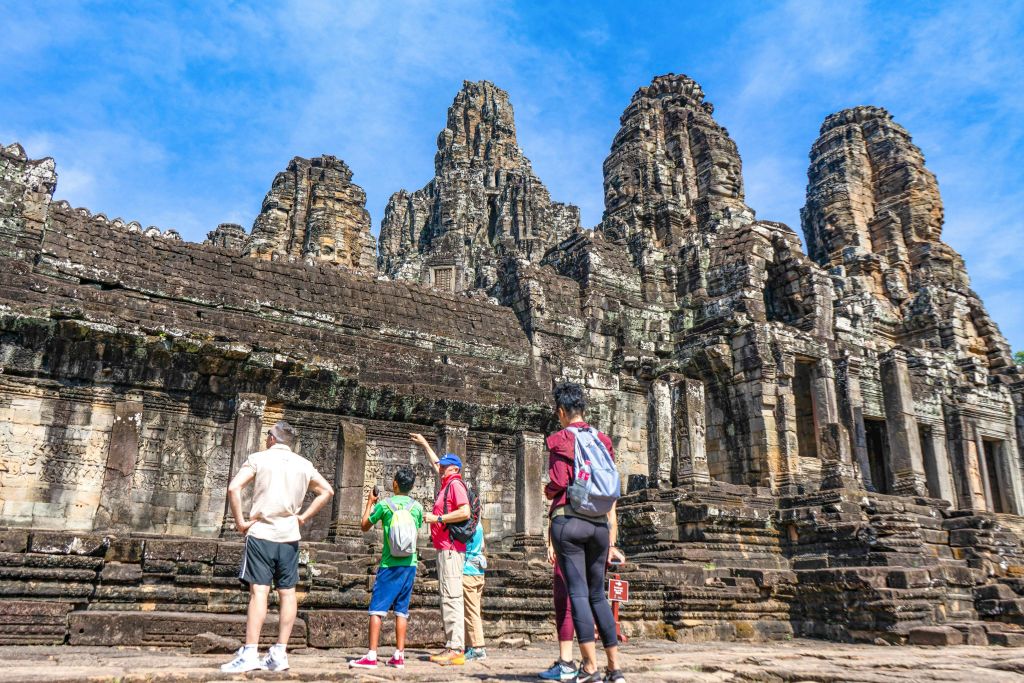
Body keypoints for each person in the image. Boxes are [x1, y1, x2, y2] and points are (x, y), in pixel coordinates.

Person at [220, 421, 334, 674]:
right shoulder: (303, 465)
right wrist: (303, 516)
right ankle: (280, 652)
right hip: (289, 536)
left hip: (261, 533)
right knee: (287, 592)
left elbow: (234, 487)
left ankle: (251, 651)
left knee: (259, 592)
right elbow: (327, 491)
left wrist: (240, 522)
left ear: (272, 438)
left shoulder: (259, 459)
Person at [544, 382, 627, 683]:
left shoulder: (560, 439)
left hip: (570, 522)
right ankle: (614, 668)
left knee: (577, 593)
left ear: (562, 411)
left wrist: (547, 491)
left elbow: (557, 482)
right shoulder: (602, 439)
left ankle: (589, 666)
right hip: (600, 525)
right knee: (597, 595)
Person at [349, 466, 424, 670]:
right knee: (402, 611)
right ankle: (399, 655)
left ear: (395, 484)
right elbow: (414, 530)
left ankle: (372, 655)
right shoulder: (417, 508)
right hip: (410, 565)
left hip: (389, 564)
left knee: (377, 609)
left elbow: (364, 525)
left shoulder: (384, 505)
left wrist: (369, 503)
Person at [410, 432, 472, 666]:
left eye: (445, 467)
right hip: (445, 547)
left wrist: (439, 519)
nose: (441, 469)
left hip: (451, 548)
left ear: (454, 469)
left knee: (451, 595)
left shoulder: (455, 485)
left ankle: (455, 647)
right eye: (442, 466)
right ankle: (452, 644)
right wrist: (426, 443)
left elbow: (465, 512)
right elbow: (436, 462)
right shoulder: (447, 482)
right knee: (447, 594)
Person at [539, 533, 577, 681]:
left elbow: (557, 512)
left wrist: (553, 543)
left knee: (565, 603)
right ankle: (595, 667)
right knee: (591, 599)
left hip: (569, 540)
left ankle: (567, 663)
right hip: (593, 538)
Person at [462, 523, 487, 661]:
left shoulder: (468, 525)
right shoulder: (479, 525)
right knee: (472, 611)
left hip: (468, 571)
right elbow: (482, 546)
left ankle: (478, 648)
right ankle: (471, 645)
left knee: (471, 612)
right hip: (478, 570)